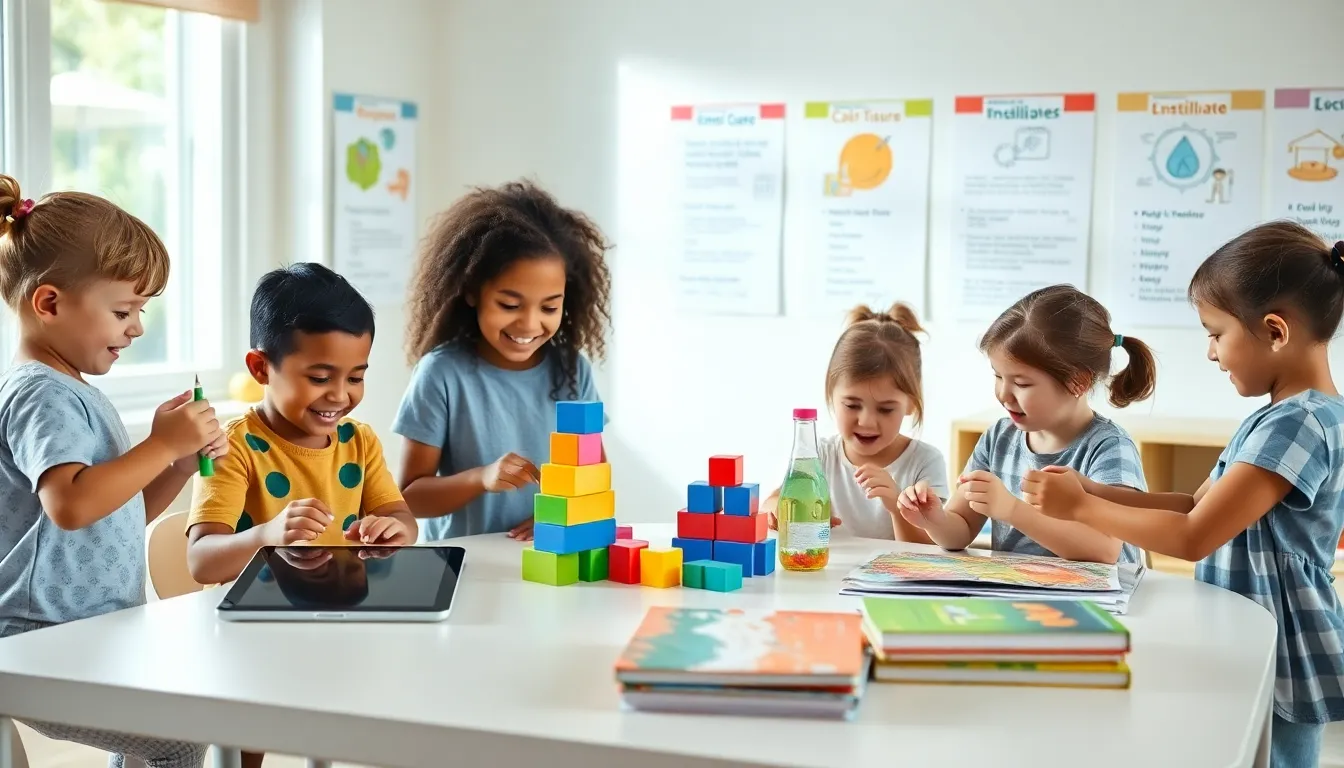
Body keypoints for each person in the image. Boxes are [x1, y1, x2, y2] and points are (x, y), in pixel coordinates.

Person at [1023, 222, 1344, 766]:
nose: (1211, 354)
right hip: (1252, 638)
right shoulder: (1280, 418)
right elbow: (1195, 506)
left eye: (1216, 333)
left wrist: (1083, 508)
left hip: (1280, 646)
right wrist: (1095, 489)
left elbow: (1194, 537)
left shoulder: (1301, 424)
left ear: (1274, 330)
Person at [0, 175, 220, 767]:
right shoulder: (40, 394)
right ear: (48, 303)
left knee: (182, 713)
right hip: (36, 637)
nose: (137, 328)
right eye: (124, 310)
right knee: (176, 740)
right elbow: (69, 507)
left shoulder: (73, 390)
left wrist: (172, 462)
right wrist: (158, 444)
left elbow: (113, 515)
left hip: (87, 631)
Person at [392, 180, 612, 542]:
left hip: (546, 554)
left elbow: (594, 477)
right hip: (463, 563)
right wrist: (481, 478)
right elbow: (411, 498)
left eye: (549, 307)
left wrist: (563, 517)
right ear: (472, 291)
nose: (528, 324)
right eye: (509, 305)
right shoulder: (442, 374)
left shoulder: (573, 372)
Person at [186, 263, 416, 587]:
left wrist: (396, 530)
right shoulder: (232, 446)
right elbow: (202, 563)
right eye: (320, 378)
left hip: (341, 608)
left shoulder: (359, 443)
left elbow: (402, 519)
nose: (339, 395)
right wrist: (268, 536)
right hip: (258, 621)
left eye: (355, 378)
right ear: (261, 368)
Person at [897, 284, 1155, 563]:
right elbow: (960, 530)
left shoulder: (1109, 447)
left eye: (1021, 383)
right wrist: (934, 519)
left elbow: (1103, 550)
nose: (1003, 394)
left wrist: (1011, 510)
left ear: (1078, 381)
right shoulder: (999, 438)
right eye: (998, 376)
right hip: (1025, 595)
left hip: (1104, 602)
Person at [763, 303, 948, 541]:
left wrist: (895, 505)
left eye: (886, 409)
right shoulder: (818, 455)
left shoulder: (924, 462)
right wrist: (781, 509)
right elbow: (771, 501)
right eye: (852, 405)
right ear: (831, 395)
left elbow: (928, 549)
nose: (867, 422)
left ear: (911, 403)